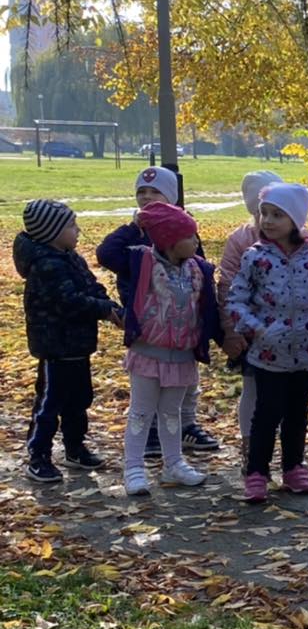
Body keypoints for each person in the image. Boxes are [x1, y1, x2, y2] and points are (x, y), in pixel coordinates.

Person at [97, 166, 221, 457]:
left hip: (183, 324)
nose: (147, 197)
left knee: (185, 382)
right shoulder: (136, 240)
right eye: (142, 191)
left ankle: (186, 426)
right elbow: (106, 254)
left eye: (155, 192)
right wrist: (134, 227)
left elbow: (200, 273)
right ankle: (150, 433)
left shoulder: (184, 232)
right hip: (149, 325)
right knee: (149, 380)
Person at [226, 183, 308, 503]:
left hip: (306, 352)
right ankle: (257, 473)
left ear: (295, 220)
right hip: (268, 352)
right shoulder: (255, 257)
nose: (268, 221)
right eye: (265, 214)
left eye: (277, 215)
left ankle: (293, 467)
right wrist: (258, 329)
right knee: (266, 413)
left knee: (297, 413)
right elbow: (236, 300)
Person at [117, 203, 222, 496]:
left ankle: (173, 464)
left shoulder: (199, 269)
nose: (196, 241)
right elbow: (106, 253)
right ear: (170, 241)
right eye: (190, 236)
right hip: (148, 353)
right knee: (141, 412)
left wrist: (226, 341)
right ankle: (133, 468)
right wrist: (136, 225)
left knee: (172, 413)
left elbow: (210, 311)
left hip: (182, 356)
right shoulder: (143, 262)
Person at [15, 199, 123, 482]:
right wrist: (104, 310)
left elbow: (91, 286)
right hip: (56, 348)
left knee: (79, 400)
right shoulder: (46, 266)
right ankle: (38, 456)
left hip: (77, 346)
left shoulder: (70, 257)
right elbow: (69, 302)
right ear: (52, 232)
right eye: (71, 225)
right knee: (50, 403)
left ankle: (75, 447)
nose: (78, 230)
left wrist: (110, 305)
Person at [219, 170, 283, 464]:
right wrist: (231, 330)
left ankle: (286, 450)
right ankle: (251, 448)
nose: (268, 220)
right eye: (262, 212)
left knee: (287, 392)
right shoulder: (241, 239)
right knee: (253, 389)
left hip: (288, 331)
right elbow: (227, 285)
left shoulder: (298, 238)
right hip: (251, 331)